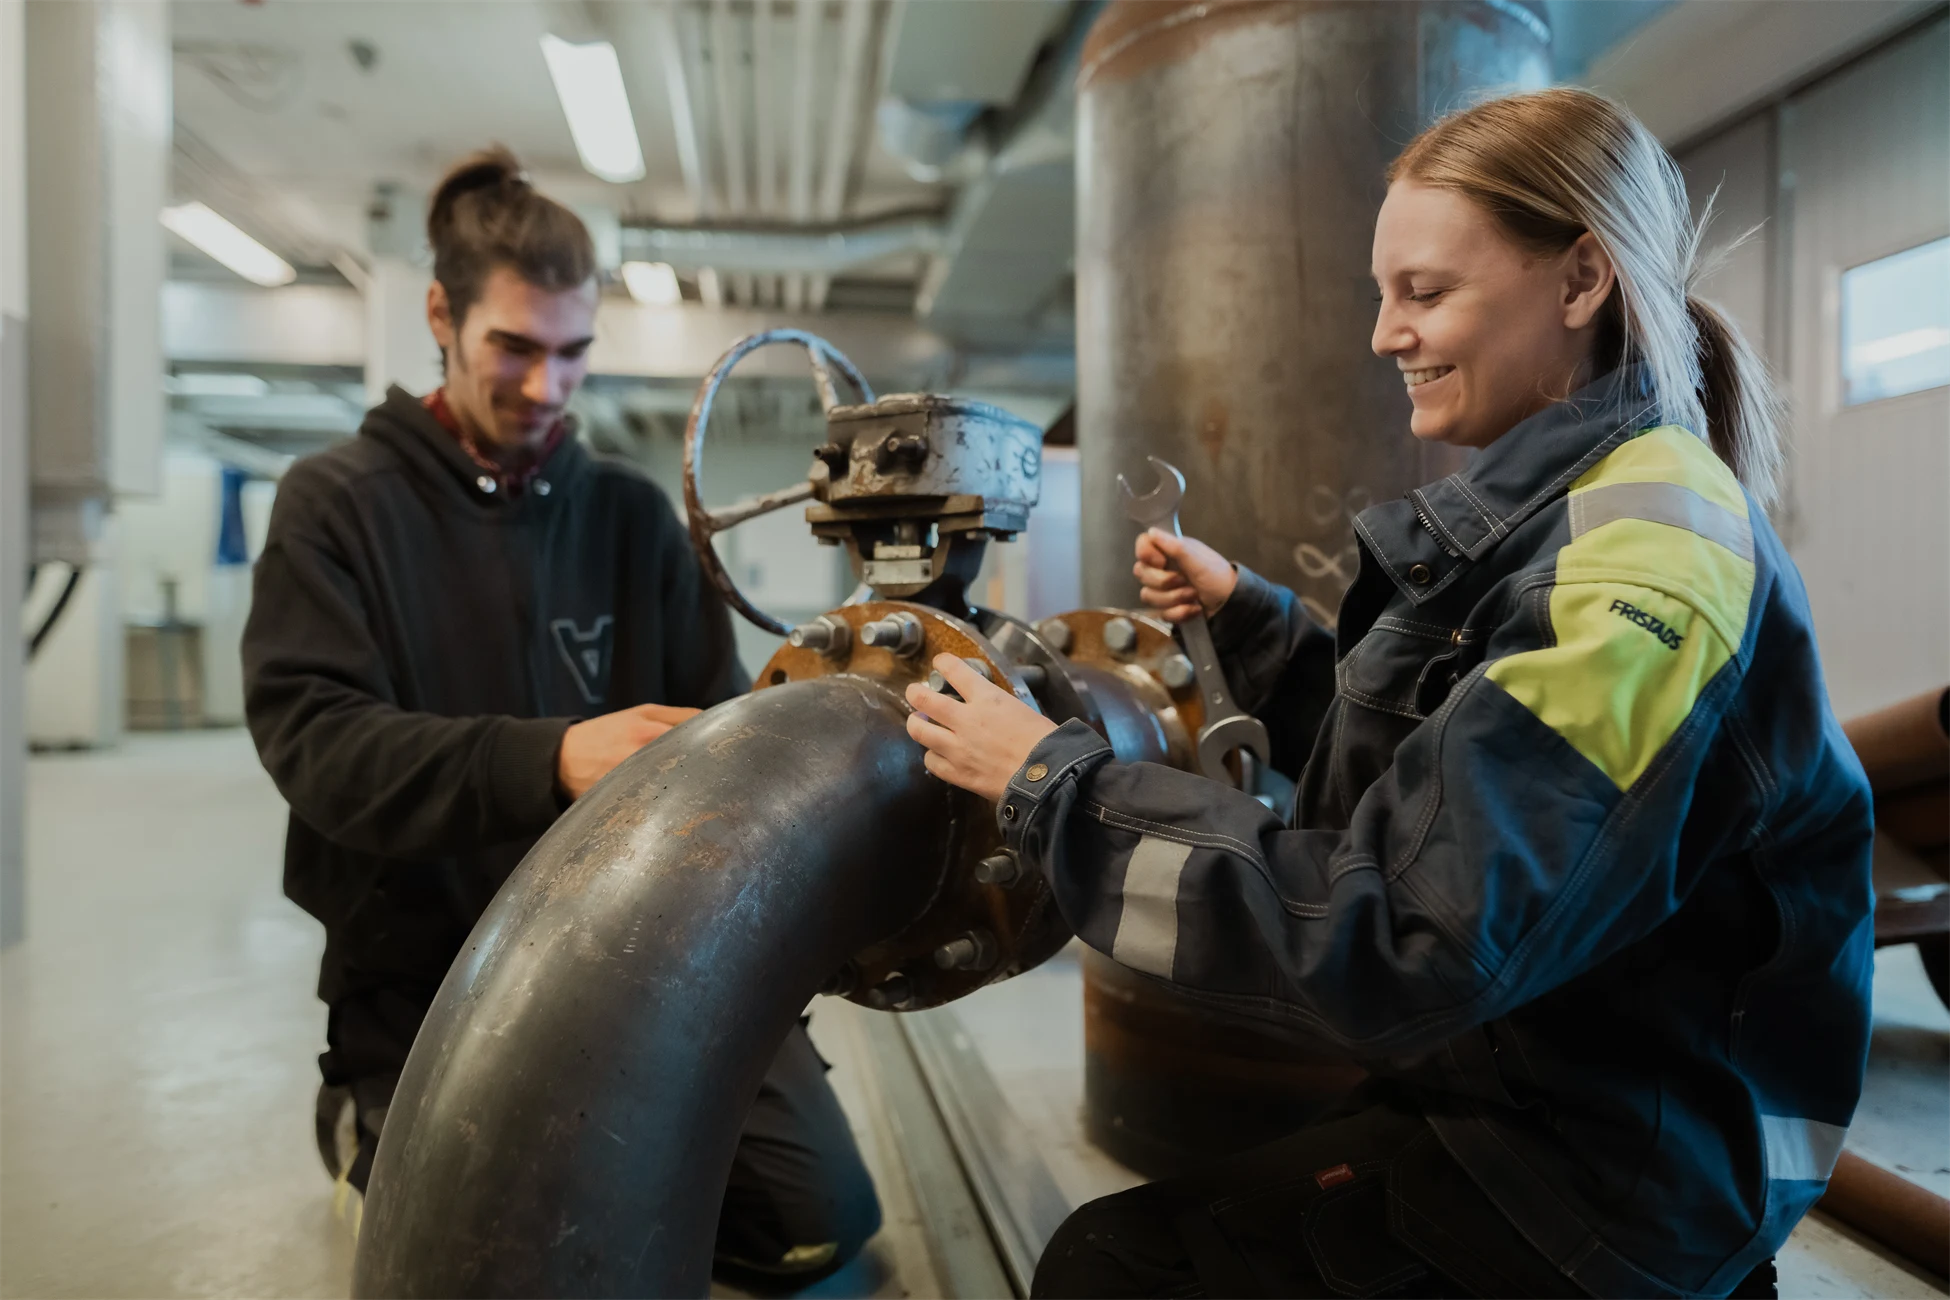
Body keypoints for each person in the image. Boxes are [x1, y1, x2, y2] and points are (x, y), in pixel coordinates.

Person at [905, 88, 1870, 1300]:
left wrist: (1055, 786)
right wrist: (1257, 622)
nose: (1383, 334)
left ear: (1580, 282)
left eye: (1425, 291)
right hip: (1543, 1086)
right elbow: (1464, 774)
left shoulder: (1646, 559)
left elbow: (1414, 935)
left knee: (1111, 1271)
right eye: (1382, 293)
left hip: (1621, 1179)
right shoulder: (1578, 509)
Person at [243, 146, 879, 1285]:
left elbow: (725, 724)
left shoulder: (633, 519)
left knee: (812, 1222)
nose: (546, 388)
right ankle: (364, 1116)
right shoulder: (334, 508)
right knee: (489, 1261)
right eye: (515, 349)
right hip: (434, 973)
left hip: (639, 963)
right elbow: (320, 746)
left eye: (574, 354)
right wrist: (551, 758)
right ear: (441, 314)